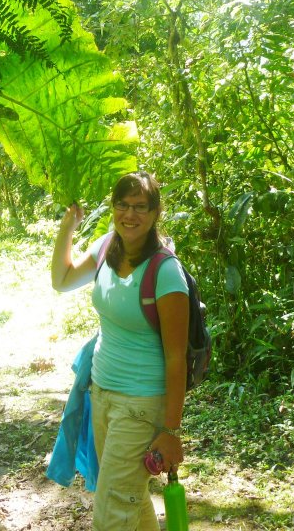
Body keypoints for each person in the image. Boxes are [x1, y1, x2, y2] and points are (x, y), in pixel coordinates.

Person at [51, 171, 190, 531]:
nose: (130, 214)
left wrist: (170, 430)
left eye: (140, 207)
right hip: (102, 393)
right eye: (123, 205)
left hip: (141, 404)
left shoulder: (165, 272)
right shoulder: (105, 248)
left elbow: (177, 358)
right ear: (113, 208)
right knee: (131, 498)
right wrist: (68, 228)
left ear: (155, 212)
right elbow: (62, 280)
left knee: (112, 510)